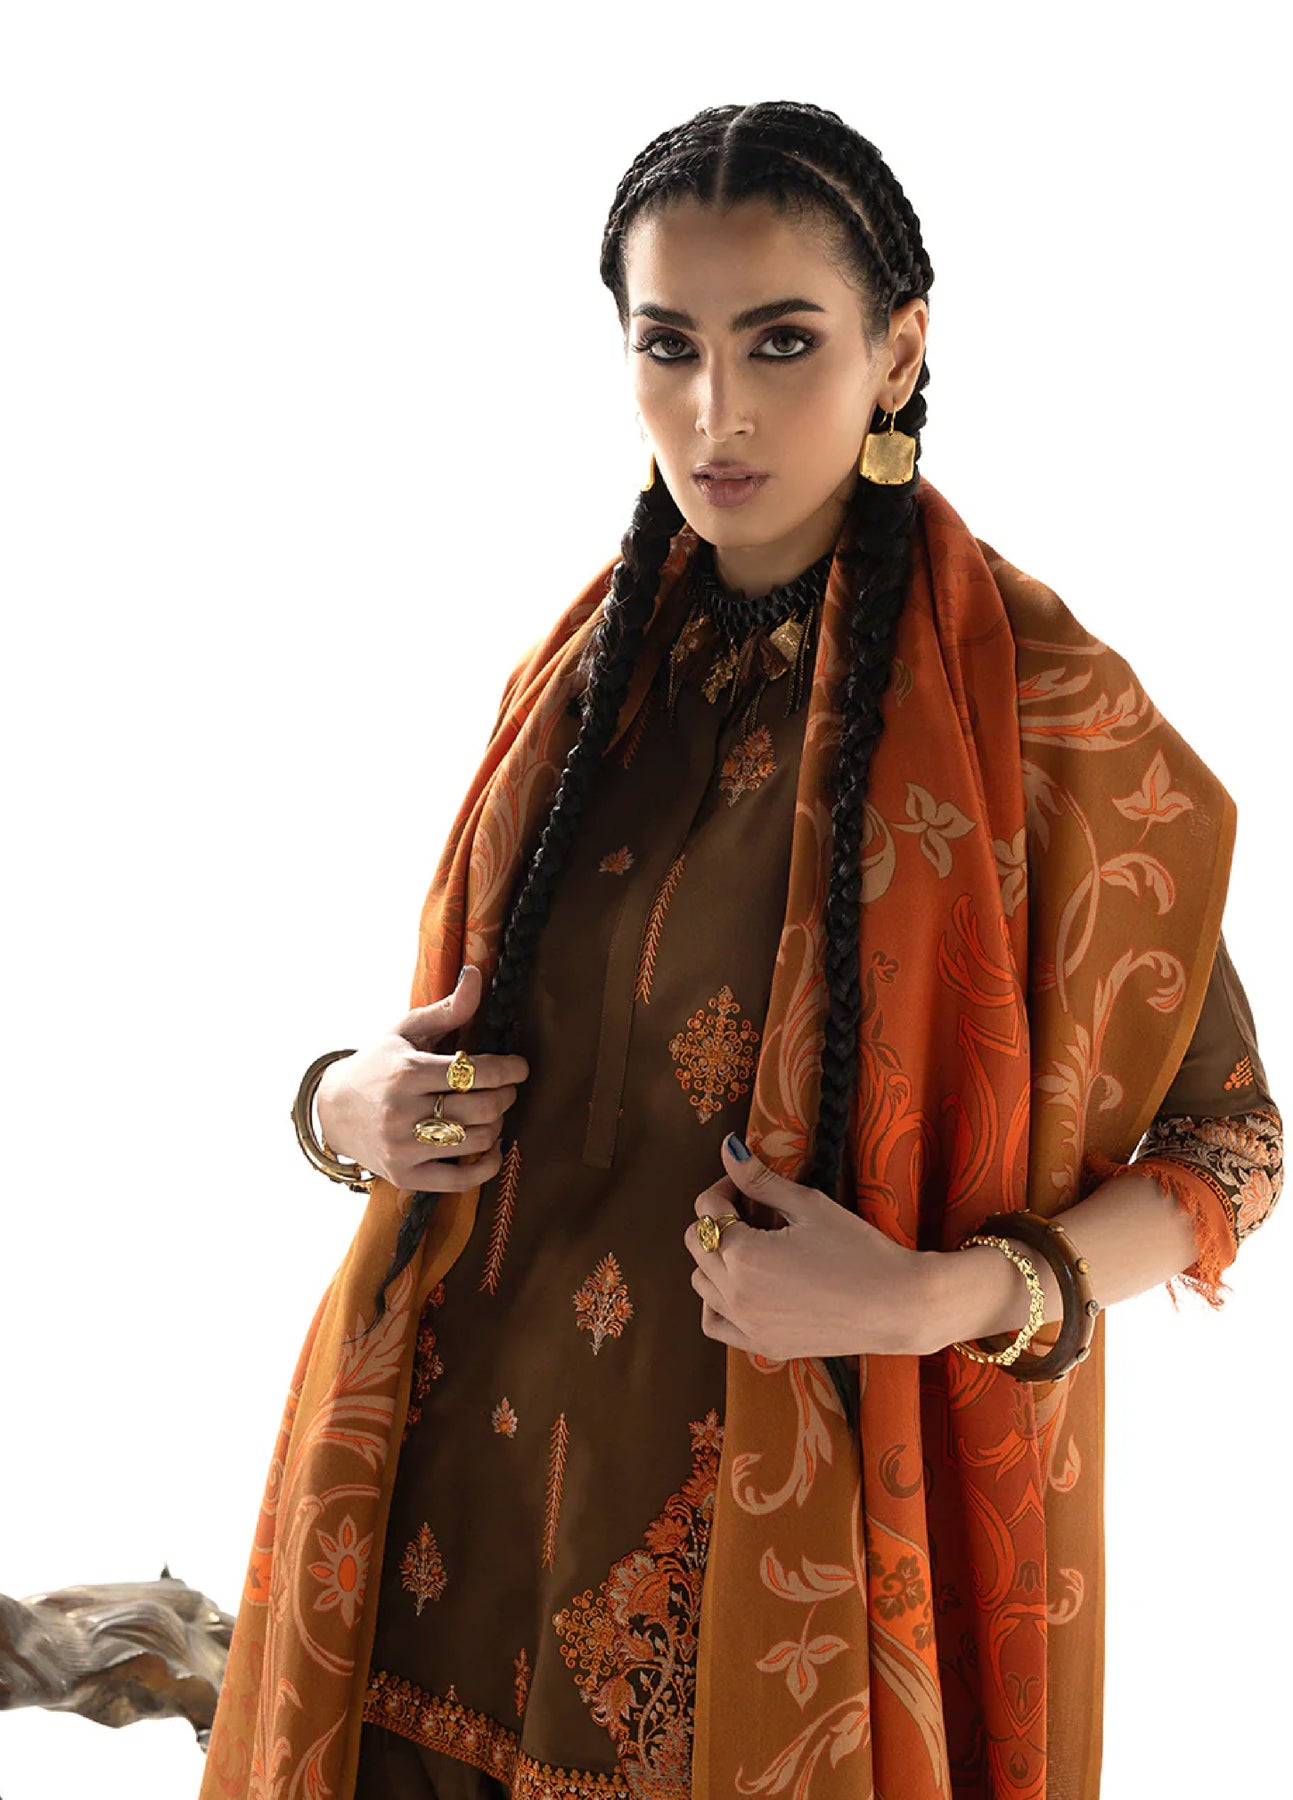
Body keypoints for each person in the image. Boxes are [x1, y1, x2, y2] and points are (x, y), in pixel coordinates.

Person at [199, 102, 1283, 1800]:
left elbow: (1230, 1147)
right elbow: (472, 1059)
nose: (717, 413)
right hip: (435, 1550)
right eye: (669, 347)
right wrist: (343, 1105)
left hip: (775, 1601)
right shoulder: (583, 672)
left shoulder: (1036, 710)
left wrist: (936, 1298)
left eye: (781, 342)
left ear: (897, 349)